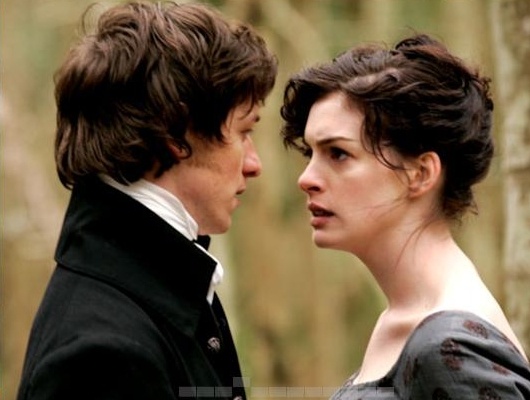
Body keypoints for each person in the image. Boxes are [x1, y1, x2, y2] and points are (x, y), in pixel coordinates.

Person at [17, 2, 277, 399]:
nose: (254, 164)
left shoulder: (159, 291)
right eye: (243, 132)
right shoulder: (102, 357)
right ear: (176, 134)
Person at [280, 34, 530, 399]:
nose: (306, 179)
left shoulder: (452, 347)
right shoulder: (405, 322)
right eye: (310, 154)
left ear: (421, 174)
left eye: (338, 153)